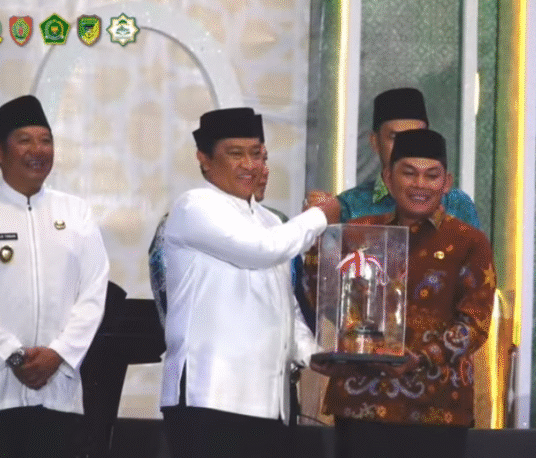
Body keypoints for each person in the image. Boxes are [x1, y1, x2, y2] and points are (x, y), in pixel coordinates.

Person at [159, 107, 339, 458]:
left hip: (270, 403)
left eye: (256, 154)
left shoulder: (271, 222)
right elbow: (261, 251)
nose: (249, 165)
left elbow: (285, 306)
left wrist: (310, 353)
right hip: (209, 397)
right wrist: (320, 216)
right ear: (204, 159)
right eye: (235, 154)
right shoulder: (195, 206)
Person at [312, 129, 495, 458]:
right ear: (388, 178)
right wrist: (316, 243)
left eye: (431, 176)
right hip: (362, 402)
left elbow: (475, 323)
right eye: (409, 173)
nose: (420, 185)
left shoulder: (468, 241)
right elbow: (326, 304)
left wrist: (421, 357)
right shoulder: (361, 234)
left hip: (437, 407)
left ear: (447, 182)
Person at [0, 95, 109, 457]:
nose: (38, 150)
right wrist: (12, 355)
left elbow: (94, 292)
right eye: (25, 140)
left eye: (46, 140)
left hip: (57, 396)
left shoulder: (76, 213)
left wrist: (59, 354)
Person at [337, 88, 480, 228]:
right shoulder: (349, 206)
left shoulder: (456, 204)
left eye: (417, 136)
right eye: (395, 137)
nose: (407, 145)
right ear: (375, 142)